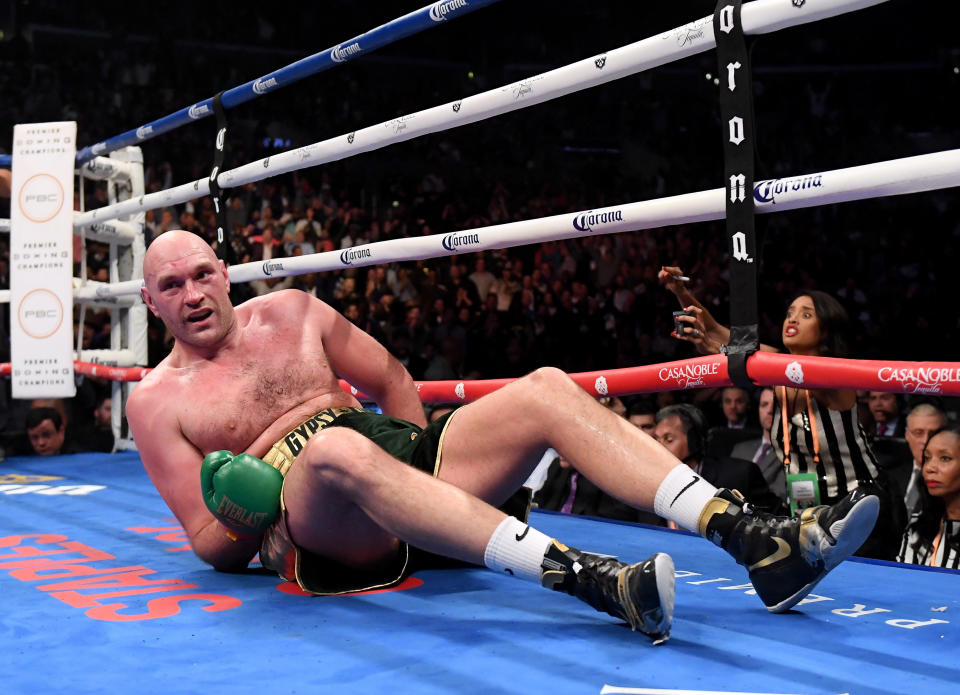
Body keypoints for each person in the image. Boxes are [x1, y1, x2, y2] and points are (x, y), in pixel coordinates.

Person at [126, 231, 880, 644]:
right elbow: (205, 539)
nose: (193, 295)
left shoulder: (292, 311)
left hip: (402, 465)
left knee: (546, 386)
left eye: (201, 274)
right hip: (327, 521)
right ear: (149, 301)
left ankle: (757, 541)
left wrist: (423, 484)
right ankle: (593, 579)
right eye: (172, 287)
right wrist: (244, 506)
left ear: (224, 270)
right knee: (331, 450)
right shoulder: (156, 401)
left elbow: (391, 379)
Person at [659, 267, 903, 560]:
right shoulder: (773, 366)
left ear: (826, 329)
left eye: (806, 314)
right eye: (790, 312)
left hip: (861, 506)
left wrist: (719, 348)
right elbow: (717, 332)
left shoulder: (835, 373)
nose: (793, 318)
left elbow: (745, 352)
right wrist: (680, 291)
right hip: (808, 510)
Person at [653, 404, 785, 514]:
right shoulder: (649, 480)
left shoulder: (739, 476)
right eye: (656, 440)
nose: (659, 447)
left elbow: (776, 520)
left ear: (694, 441)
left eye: (668, 439)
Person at [897, 425, 960, 568]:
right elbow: (901, 581)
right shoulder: (918, 526)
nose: (930, 467)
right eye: (927, 458)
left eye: (945, 458)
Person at [730, 387, 787, 504]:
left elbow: (782, 495)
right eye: (764, 404)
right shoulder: (740, 449)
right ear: (758, 409)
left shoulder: (793, 453)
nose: (770, 410)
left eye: (776, 404)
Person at [898, 403, 949, 519]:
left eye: (933, 433)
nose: (925, 440)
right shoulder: (890, 476)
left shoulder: (954, 483)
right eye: (918, 433)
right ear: (907, 435)